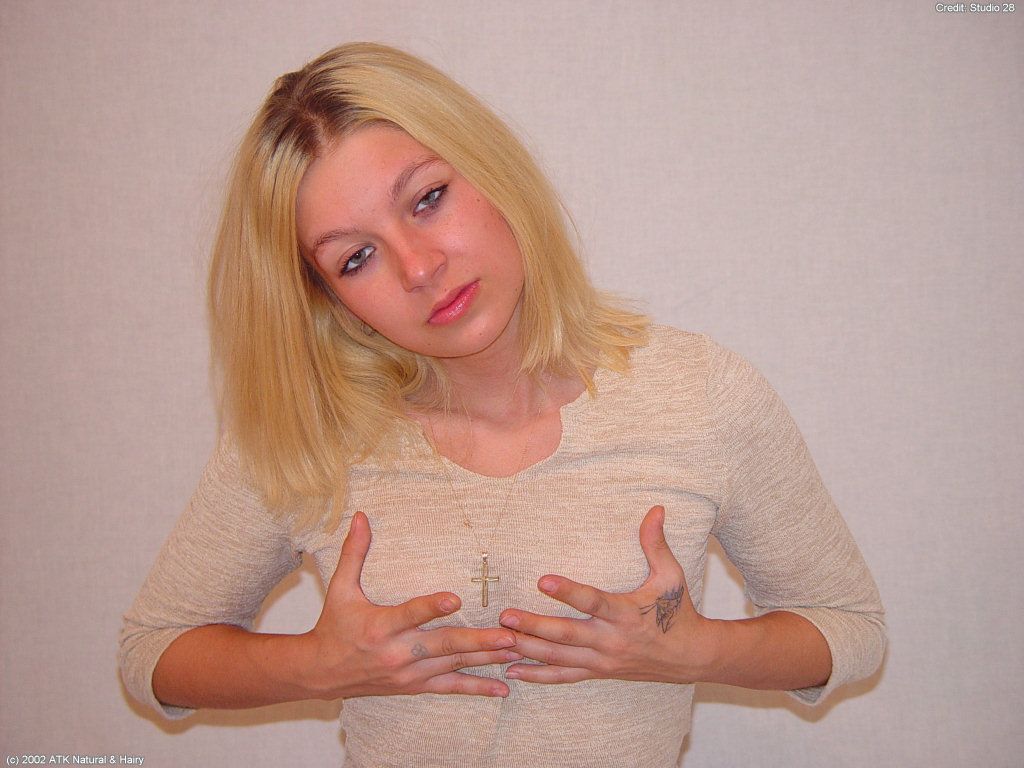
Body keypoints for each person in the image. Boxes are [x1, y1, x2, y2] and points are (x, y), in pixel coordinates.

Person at [118, 42, 885, 767]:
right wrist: (318, 665)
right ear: (326, 299)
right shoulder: (309, 425)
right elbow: (154, 653)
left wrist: (696, 651)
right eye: (356, 258)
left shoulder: (700, 392)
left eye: (428, 199)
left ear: (490, 169)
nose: (419, 268)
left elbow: (848, 627)